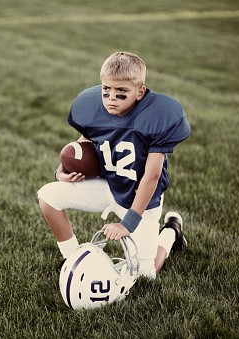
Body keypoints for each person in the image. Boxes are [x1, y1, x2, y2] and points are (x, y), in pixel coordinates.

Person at [38, 52, 190, 279]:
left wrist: (127, 223)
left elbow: (152, 176)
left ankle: (170, 233)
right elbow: (87, 141)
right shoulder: (92, 107)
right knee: (48, 197)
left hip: (141, 198)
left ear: (140, 92)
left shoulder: (158, 115)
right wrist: (65, 169)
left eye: (121, 93)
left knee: (144, 276)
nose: (111, 98)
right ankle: (72, 261)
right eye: (106, 90)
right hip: (109, 184)